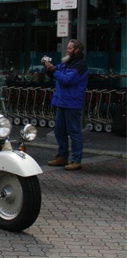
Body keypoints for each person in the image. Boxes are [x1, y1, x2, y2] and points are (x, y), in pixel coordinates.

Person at [43, 39, 89, 171]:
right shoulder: (69, 62)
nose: (67, 50)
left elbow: (67, 79)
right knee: (59, 131)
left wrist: (53, 70)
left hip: (72, 103)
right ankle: (62, 156)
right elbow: (56, 71)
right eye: (67, 48)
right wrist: (48, 67)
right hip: (63, 101)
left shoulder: (80, 65)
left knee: (74, 132)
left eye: (70, 48)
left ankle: (76, 160)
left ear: (77, 50)